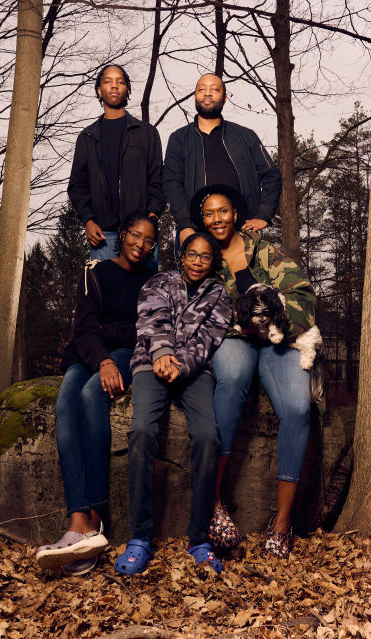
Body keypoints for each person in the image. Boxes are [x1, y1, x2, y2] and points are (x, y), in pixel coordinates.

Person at [194, 184, 317, 559]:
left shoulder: (264, 251)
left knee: (298, 407)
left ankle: (281, 526)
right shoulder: (201, 258)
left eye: (224, 211)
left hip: (278, 339)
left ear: (236, 214)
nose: (217, 219)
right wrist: (239, 324)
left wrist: (275, 323)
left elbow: (303, 297)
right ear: (203, 219)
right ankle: (214, 505)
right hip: (235, 338)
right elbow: (197, 309)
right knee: (231, 378)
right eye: (209, 213)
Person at [34, 213, 158, 576]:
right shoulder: (96, 271)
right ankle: (78, 521)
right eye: (135, 235)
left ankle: (96, 515)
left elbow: (142, 332)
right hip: (89, 353)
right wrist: (102, 357)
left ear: (153, 247)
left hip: (124, 352)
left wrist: (112, 351)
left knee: (93, 396)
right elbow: (84, 327)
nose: (141, 243)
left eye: (149, 240)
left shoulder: (154, 281)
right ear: (122, 236)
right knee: (65, 404)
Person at [114, 233, 233, 575]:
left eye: (205, 257)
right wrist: (163, 355)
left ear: (213, 261)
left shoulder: (219, 295)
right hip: (150, 363)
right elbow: (152, 320)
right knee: (141, 431)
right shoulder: (159, 282)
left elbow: (210, 338)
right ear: (181, 256)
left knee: (208, 435)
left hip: (194, 371)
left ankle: (199, 539)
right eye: (191, 255)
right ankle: (140, 537)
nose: (197, 261)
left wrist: (180, 363)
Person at [163, 73, 282, 249]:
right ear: (195, 97)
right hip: (196, 233)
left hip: (242, 232)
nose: (208, 93)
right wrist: (185, 225)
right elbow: (172, 183)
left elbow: (271, 175)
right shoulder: (179, 139)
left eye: (215, 89)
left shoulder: (246, 136)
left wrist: (264, 214)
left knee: (247, 278)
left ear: (224, 98)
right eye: (202, 89)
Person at [68, 64, 164, 265]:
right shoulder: (87, 137)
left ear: (127, 90)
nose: (114, 86)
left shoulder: (147, 133)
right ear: (99, 90)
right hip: (103, 235)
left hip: (141, 234)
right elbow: (77, 185)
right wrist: (88, 220)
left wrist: (152, 219)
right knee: (107, 295)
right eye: (107, 81)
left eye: (120, 82)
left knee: (147, 296)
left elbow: (158, 179)